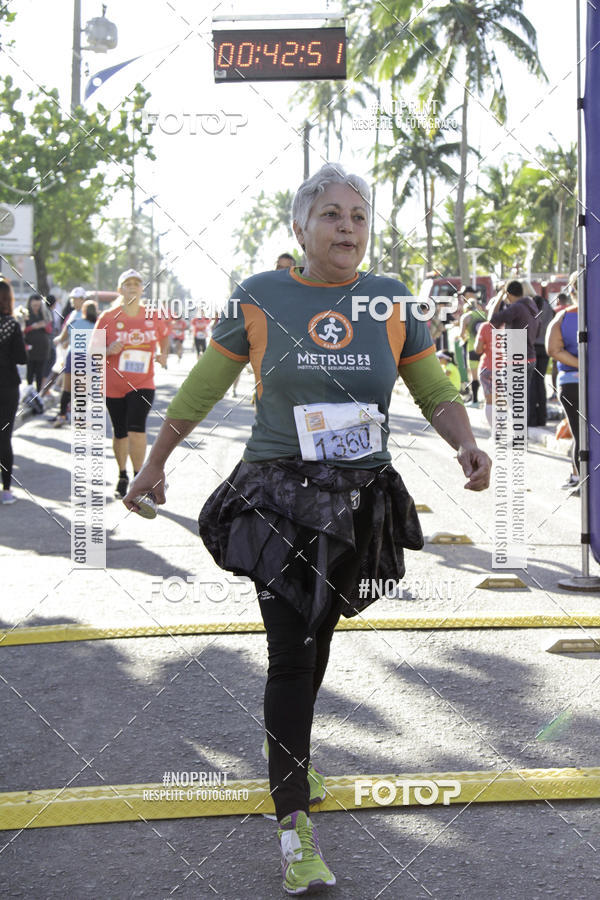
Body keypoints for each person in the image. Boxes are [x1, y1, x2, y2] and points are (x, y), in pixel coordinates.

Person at [124, 164, 491, 895]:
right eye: (330, 214)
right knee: (291, 653)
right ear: (301, 229)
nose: (347, 226)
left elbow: (430, 384)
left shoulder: (390, 300)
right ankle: (293, 828)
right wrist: (154, 463)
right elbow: (204, 384)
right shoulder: (262, 296)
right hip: (279, 496)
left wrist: (464, 439)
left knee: (320, 636)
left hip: (359, 497)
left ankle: (294, 761)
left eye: (357, 214)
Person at [93, 269, 169, 498]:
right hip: (113, 384)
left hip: (143, 382)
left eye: (137, 283)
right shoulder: (107, 317)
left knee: (137, 428)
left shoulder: (153, 316)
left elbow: (164, 336)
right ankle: (122, 474)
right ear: (120, 289)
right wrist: (107, 349)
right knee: (120, 432)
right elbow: (92, 350)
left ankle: (139, 477)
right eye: (128, 283)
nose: (133, 286)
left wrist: (163, 354)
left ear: (142, 288)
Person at [546, 276, 580, 494]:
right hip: (579, 382)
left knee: (579, 433)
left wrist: (581, 365)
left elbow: (553, 350)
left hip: (571, 382)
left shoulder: (563, 317)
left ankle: (579, 477)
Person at [488, 279, 539, 420]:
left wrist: (499, 295)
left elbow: (492, 320)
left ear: (508, 294)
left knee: (514, 400)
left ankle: (517, 436)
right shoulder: (531, 306)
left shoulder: (516, 308)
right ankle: (521, 435)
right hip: (530, 357)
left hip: (516, 360)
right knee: (522, 399)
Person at [0, 279, 27, 504]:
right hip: (7, 386)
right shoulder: (11, 324)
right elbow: (21, 358)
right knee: (4, 437)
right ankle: (6, 489)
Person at [52, 286, 87, 427]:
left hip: (79, 355)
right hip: (75, 353)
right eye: (72, 298)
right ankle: (66, 415)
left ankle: (74, 416)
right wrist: (65, 341)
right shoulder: (73, 314)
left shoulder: (82, 315)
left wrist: (60, 339)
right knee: (70, 388)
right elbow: (69, 334)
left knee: (76, 388)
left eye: (76, 299)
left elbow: (66, 334)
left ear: (82, 299)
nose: (73, 301)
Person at [528, 294, 555, 427]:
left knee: (532, 382)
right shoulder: (549, 307)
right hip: (544, 347)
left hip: (531, 347)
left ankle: (532, 418)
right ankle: (542, 417)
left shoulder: (529, 307)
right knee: (540, 381)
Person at [458, 287, 487, 406]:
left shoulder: (466, 317)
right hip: (485, 348)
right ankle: (488, 400)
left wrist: (463, 338)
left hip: (472, 348)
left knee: (474, 375)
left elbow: (461, 334)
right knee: (487, 373)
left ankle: (474, 400)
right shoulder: (485, 315)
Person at [23, 293, 52, 396]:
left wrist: (43, 325)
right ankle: (29, 393)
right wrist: (33, 327)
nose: (36, 308)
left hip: (42, 348)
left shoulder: (44, 314)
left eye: (38, 306)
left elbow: (50, 330)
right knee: (30, 372)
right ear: (30, 304)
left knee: (40, 373)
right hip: (30, 348)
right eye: (34, 305)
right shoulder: (25, 315)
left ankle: (38, 394)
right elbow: (22, 331)